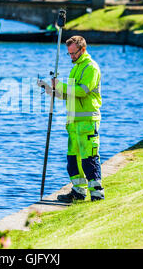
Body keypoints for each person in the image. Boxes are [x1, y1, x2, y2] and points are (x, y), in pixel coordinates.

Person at [38, 36, 104, 203]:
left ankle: (96, 193)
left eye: (73, 53)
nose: (72, 57)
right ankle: (78, 192)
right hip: (73, 123)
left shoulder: (91, 67)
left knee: (89, 158)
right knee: (73, 160)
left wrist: (60, 85)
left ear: (82, 49)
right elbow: (70, 94)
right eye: (69, 54)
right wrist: (51, 90)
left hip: (88, 121)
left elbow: (82, 91)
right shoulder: (75, 69)